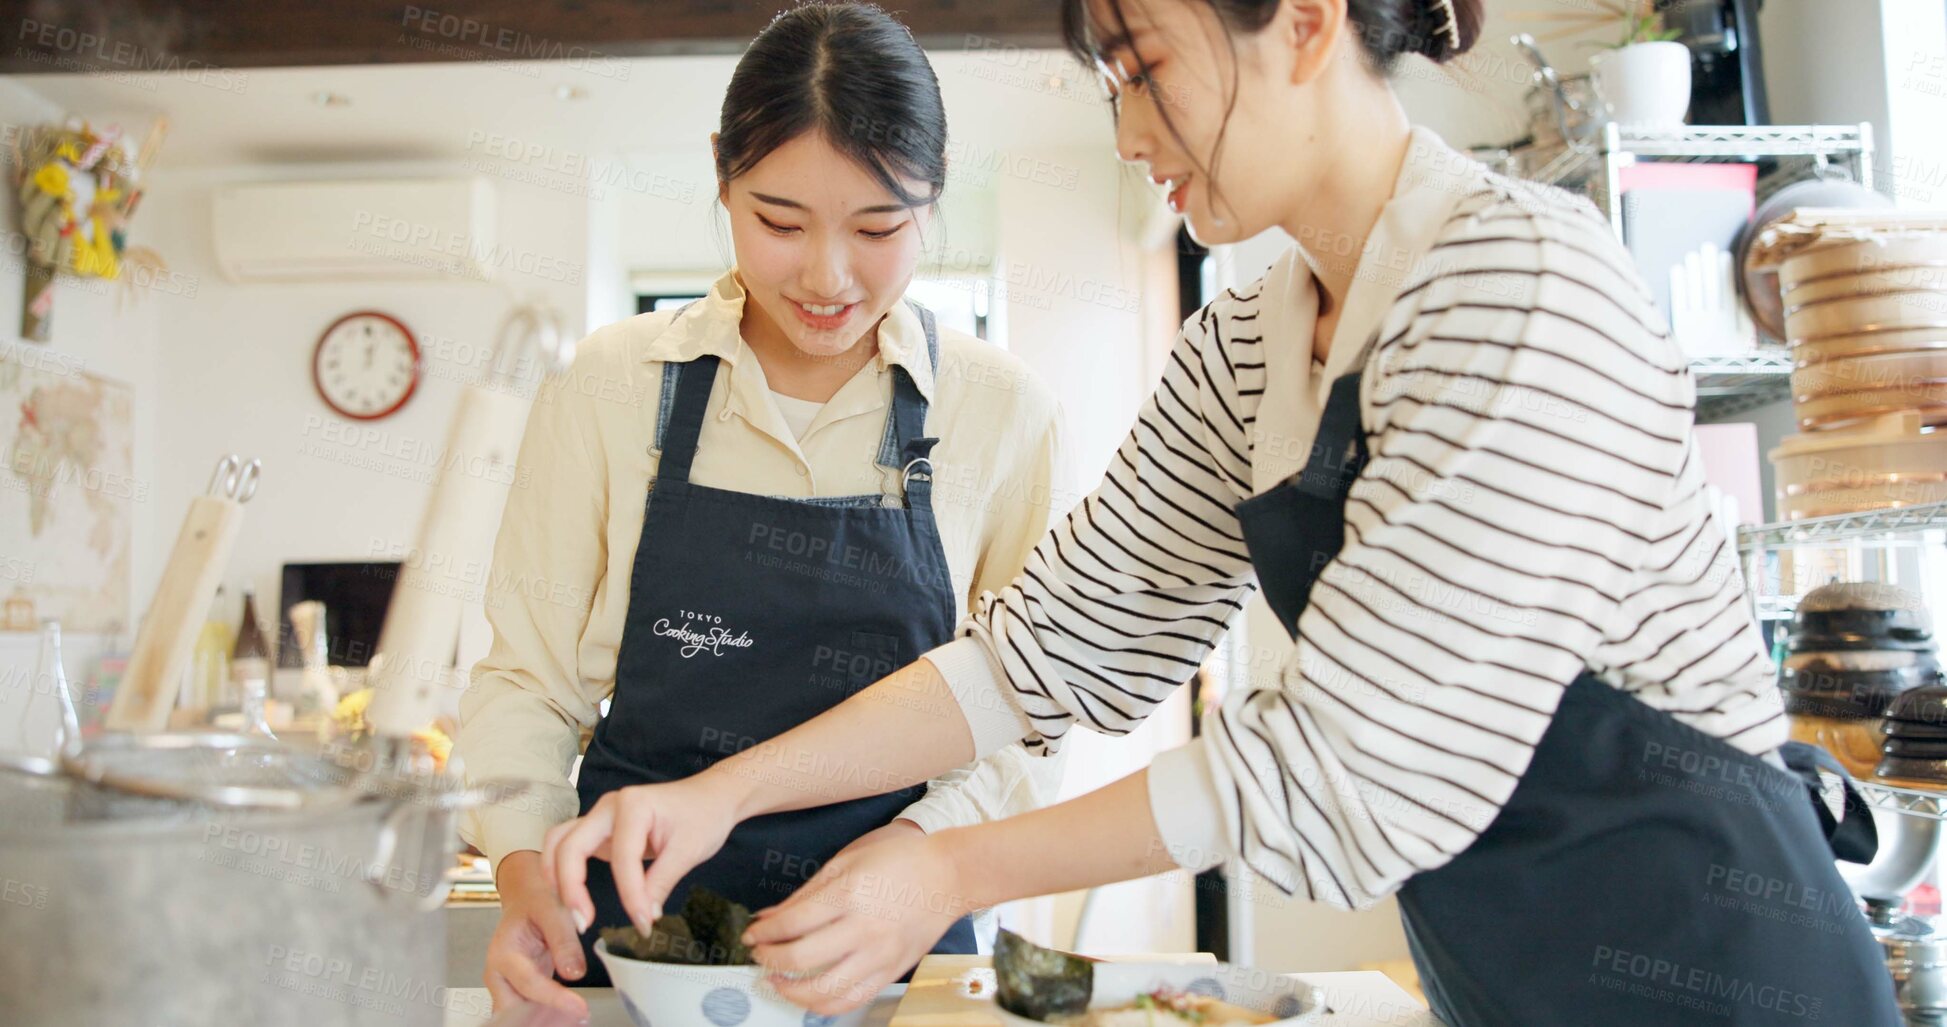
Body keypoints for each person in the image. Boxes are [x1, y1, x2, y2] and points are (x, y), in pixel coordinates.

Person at [543, 0, 1900, 1023]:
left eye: (1144, 70)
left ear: (1302, 21)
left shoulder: (1517, 284)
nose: (1127, 134)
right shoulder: (1248, 343)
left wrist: (948, 869)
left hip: (1727, 977)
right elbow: (1037, 654)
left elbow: (1344, 771)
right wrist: (718, 795)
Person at [454, 3, 1070, 1016]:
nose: (827, 277)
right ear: (720, 176)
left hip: (899, 945)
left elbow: (1027, 720)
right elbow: (527, 683)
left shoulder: (1001, 411)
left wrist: (917, 857)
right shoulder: (612, 384)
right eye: (778, 222)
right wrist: (525, 878)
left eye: (879, 227)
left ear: (935, 195)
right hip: (632, 944)